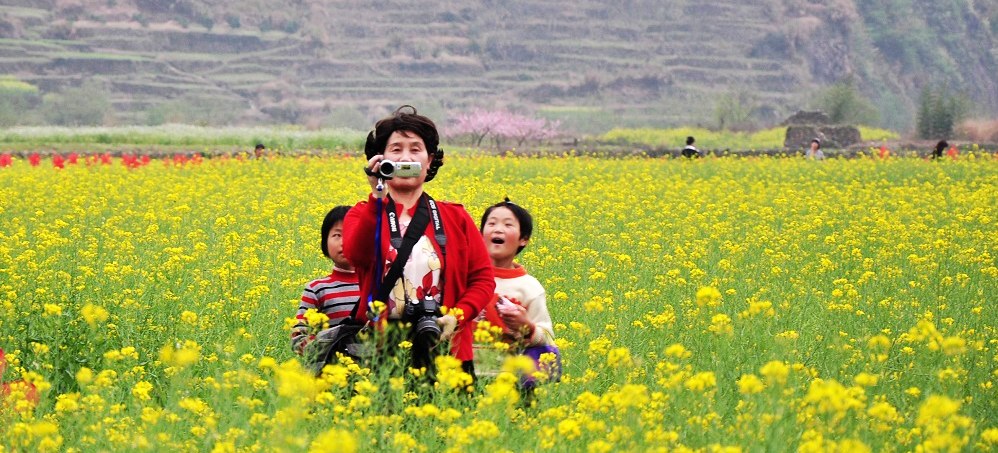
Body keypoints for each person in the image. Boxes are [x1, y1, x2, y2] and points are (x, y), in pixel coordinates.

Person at [343, 105, 494, 381]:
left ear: (429, 161)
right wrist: (377, 196)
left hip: (447, 350)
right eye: (396, 149)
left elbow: (483, 279)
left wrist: (458, 315)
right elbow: (357, 256)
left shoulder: (455, 217)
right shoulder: (362, 213)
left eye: (415, 149)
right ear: (380, 160)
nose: (405, 157)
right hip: (381, 353)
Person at [476, 198, 561, 390]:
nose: (498, 229)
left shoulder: (529, 288)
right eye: (491, 223)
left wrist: (527, 326)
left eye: (508, 224)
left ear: (524, 239)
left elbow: (547, 338)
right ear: (481, 235)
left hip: (512, 383)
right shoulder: (463, 278)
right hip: (462, 379)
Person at [291, 206, 362, 372]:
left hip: (371, 381)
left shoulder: (379, 286)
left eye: (353, 234)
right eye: (337, 235)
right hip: (328, 380)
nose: (344, 242)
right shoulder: (317, 289)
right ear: (325, 243)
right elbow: (297, 339)